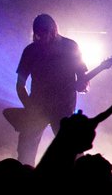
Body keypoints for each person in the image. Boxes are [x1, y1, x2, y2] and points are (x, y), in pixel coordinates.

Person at [14, 14, 90, 165]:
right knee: (25, 152)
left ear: (54, 31)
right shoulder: (31, 51)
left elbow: (83, 78)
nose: (41, 39)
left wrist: (83, 86)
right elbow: (20, 85)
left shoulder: (70, 47)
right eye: (37, 34)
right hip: (37, 107)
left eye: (44, 33)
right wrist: (29, 107)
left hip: (63, 109)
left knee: (72, 151)